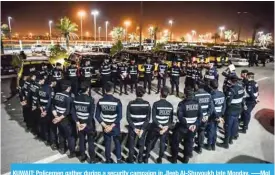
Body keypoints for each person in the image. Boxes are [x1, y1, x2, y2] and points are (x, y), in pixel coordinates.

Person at [169, 87, 202, 163]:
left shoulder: (182, 104)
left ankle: (174, 159)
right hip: (193, 128)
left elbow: (180, 117)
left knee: (175, 142)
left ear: (186, 95)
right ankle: (186, 159)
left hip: (183, 128)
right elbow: (200, 116)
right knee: (189, 142)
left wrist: (188, 126)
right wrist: (195, 125)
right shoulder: (197, 104)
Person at [95, 82, 123, 163]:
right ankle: (119, 159)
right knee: (117, 142)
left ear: (105, 90)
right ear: (113, 89)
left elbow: (97, 116)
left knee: (107, 143)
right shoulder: (117, 101)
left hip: (105, 125)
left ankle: (107, 160)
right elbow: (119, 116)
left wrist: (105, 126)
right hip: (115, 126)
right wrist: (111, 126)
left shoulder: (100, 101)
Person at [144, 87, 173, 163]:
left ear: (160, 94)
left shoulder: (156, 104)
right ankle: (160, 159)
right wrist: (165, 128)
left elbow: (154, 118)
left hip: (156, 127)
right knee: (162, 144)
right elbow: (170, 120)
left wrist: (160, 126)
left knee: (150, 142)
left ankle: (146, 157)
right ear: (167, 95)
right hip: (165, 129)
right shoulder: (170, 105)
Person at [71, 82, 97, 163]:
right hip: (88, 124)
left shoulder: (75, 98)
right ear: (88, 89)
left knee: (81, 140)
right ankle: (92, 159)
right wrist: (85, 123)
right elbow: (91, 114)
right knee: (90, 141)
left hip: (80, 122)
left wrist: (77, 122)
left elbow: (73, 112)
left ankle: (82, 156)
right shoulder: (90, 100)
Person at [217, 75, 245, 149]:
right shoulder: (241, 87)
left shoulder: (232, 90)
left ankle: (226, 143)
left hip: (231, 110)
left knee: (228, 126)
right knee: (235, 125)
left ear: (231, 81)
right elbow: (242, 98)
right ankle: (231, 139)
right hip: (238, 109)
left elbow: (228, 102)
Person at [126, 86, 151, 163]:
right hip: (142, 128)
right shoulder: (147, 104)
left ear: (135, 93)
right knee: (141, 144)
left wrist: (134, 128)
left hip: (133, 128)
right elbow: (148, 118)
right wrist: (142, 129)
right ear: (143, 94)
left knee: (131, 144)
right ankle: (140, 159)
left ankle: (130, 159)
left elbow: (128, 118)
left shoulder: (130, 104)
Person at [51, 80, 76, 157]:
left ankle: (62, 148)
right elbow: (67, 111)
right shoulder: (68, 97)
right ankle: (72, 152)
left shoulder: (56, 94)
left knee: (61, 133)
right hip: (65, 119)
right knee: (70, 136)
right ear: (68, 88)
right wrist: (59, 118)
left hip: (57, 116)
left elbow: (52, 106)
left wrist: (56, 116)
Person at [194, 81, 213, 154]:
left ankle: (190, 146)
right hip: (204, 118)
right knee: (201, 132)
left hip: (196, 118)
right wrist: (207, 115)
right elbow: (211, 107)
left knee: (193, 132)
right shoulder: (208, 95)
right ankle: (200, 148)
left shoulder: (195, 95)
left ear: (197, 86)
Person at [205, 80, 226, 151]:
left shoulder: (211, 95)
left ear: (210, 86)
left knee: (211, 130)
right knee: (215, 129)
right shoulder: (222, 94)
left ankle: (209, 145)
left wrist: (217, 116)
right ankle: (213, 145)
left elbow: (212, 108)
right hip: (219, 114)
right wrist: (221, 115)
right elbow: (224, 105)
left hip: (213, 115)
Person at [38, 74, 53, 145]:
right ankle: (50, 141)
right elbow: (50, 101)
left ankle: (45, 138)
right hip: (48, 110)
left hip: (42, 109)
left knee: (44, 125)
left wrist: (41, 109)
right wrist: (46, 111)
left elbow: (38, 99)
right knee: (50, 126)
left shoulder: (40, 88)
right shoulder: (49, 89)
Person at [28, 72, 41, 136]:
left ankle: (34, 130)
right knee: (38, 120)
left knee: (34, 118)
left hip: (33, 104)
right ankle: (37, 133)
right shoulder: (39, 87)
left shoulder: (33, 86)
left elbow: (30, 95)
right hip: (36, 105)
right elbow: (39, 98)